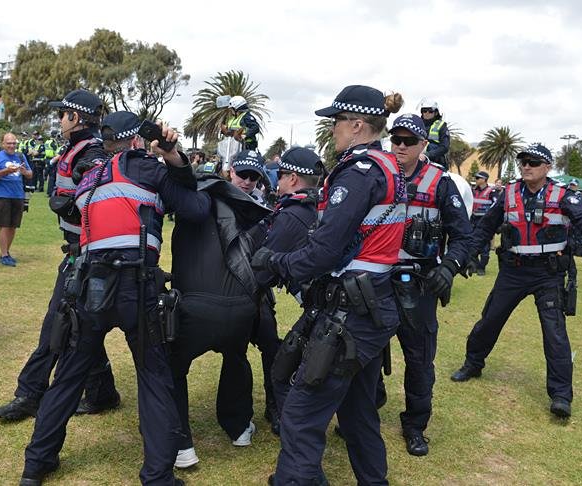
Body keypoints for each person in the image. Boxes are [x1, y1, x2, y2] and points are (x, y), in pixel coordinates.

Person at [20, 122, 211, 486]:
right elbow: (196, 207)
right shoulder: (146, 166)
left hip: (89, 282)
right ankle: (157, 476)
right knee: (154, 378)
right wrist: (174, 161)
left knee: (69, 375)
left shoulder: (91, 175)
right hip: (136, 284)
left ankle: (36, 465)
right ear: (138, 140)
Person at [252, 85, 408, 485]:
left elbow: (321, 253)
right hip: (373, 304)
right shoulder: (388, 165)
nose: (332, 129)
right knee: (357, 414)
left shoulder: (358, 174)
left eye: (336, 121)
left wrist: (276, 261)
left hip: (351, 314)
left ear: (356, 125)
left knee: (302, 414)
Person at [450, 143, 582, 418]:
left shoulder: (563, 195)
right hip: (513, 271)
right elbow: (487, 225)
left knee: (554, 333)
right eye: (523, 161)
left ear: (547, 167)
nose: (526, 165)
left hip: (548, 274)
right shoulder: (508, 193)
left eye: (534, 162)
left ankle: (561, 395)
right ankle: (473, 363)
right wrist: (469, 253)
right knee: (490, 319)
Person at [0, 90, 119, 423]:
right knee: (80, 327)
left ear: (75, 118)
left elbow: (98, 203)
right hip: (81, 252)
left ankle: (30, 394)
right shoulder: (79, 149)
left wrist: (76, 207)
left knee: (57, 325)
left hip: (87, 254)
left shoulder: (91, 154)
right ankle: (102, 391)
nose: (59, 120)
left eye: (63, 114)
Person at [167, 126, 272, 469]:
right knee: (236, 358)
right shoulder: (259, 214)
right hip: (240, 311)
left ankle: (182, 444)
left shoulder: (200, 198)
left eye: (254, 177)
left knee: (170, 368)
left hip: (198, 309)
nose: (247, 181)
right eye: (243, 174)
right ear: (230, 171)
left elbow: (180, 182)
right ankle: (239, 426)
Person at [372, 113, 472, 456]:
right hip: (376, 280)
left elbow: (463, 237)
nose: (400, 146)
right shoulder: (376, 175)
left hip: (420, 284)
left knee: (419, 360)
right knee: (364, 351)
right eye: (395, 140)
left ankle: (415, 425)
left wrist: (449, 268)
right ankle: (366, 409)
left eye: (408, 141)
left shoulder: (442, 183)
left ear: (423, 145)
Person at [254, 147, 322, 438]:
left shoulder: (292, 215)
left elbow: (262, 272)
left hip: (320, 308)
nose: (277, 182)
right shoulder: (317, 207)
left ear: (293, 178)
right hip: (331, 304)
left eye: (279, 176)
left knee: (283, 367)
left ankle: (284, 419)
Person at [0, 133, 32, 267]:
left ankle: (7, 252)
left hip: (18, 195)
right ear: (2, 144)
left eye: (13, 143)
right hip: (2, 195)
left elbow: (30, 174)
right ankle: (4, 254)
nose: (12, 146)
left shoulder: (20, 156)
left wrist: (23, 171)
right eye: (9, 143)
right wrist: (6, 171)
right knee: (4, 225)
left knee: (13, 226)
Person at [470, 171, 497, 275]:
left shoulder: (492, 192)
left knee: (485, 247)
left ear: (484, 180)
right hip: (473, 220)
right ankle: (474, 265)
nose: (476, 180)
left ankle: (482, 268)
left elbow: (495, 206)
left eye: (478, 178)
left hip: (485, 221)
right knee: (472, 244)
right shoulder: (473, 191)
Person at [418, 99, 450, 170]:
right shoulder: (417, 125)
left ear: (435, 113)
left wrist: (427, 155)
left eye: (430, 111)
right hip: (417, 161)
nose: (427, 113)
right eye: (424, 110)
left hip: (436, 163)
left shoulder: (441, 126)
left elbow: (445, 147)